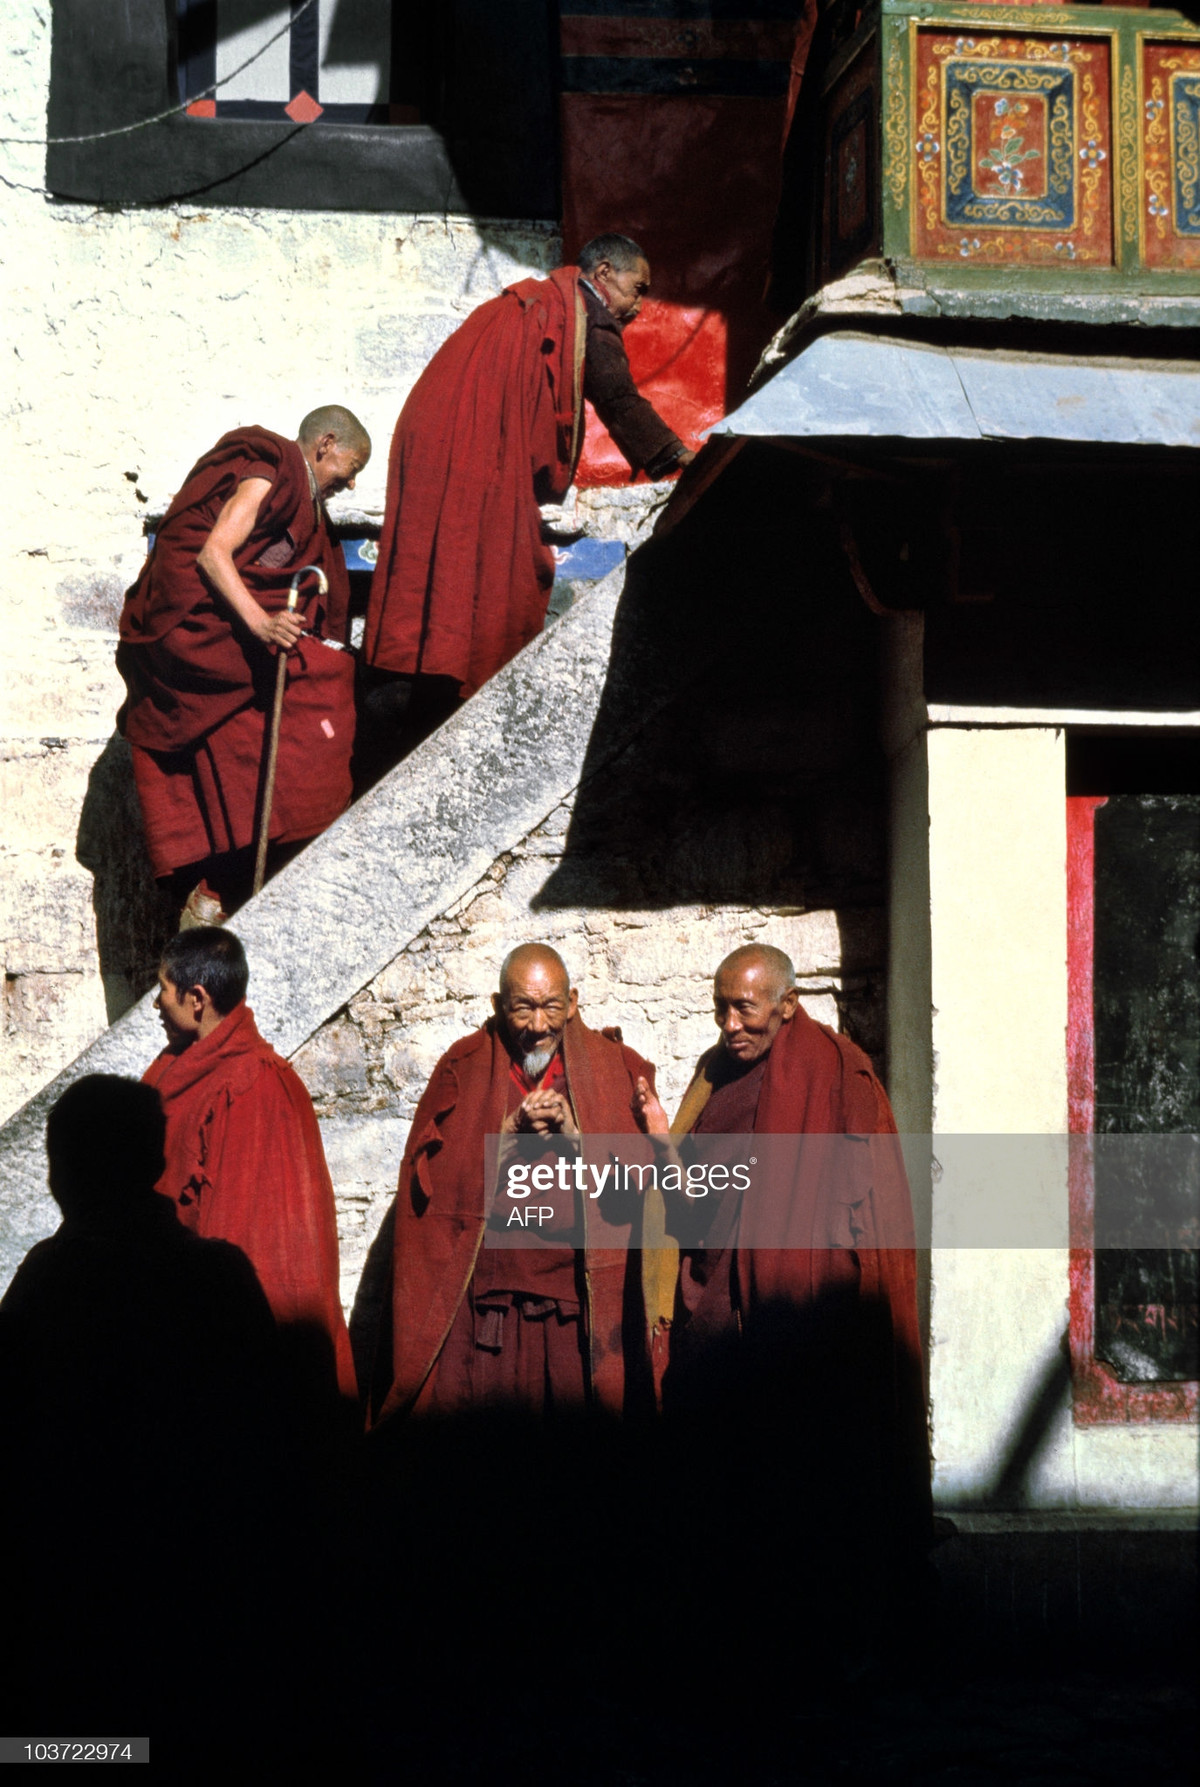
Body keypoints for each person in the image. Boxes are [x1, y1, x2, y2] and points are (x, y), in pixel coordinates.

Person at [634, 943, 930, 1681]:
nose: (730, 1025)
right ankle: (730, 1646)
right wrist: (663, 1139)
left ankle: (816, 1649)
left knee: (806, 1488)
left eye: (745, 1008)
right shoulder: (714, 1076)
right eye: (720, 1008)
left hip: (806, 1324)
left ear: (788, 1004)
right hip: (718, 1315)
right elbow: (694, 1204)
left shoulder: (840, 1075)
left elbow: (872, 1212)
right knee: (718, 1484)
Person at [0, 1075, 284, 1740]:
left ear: (61, 1174)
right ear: (156, 1162)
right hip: (201, 1583)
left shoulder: (50, 1278)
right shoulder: (220, 1274)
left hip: (76, 1587)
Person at [363, 234, 697, 706]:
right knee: (504, 563)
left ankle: (413, 675)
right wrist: (677, 456)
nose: (639, 307)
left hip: (431, 434)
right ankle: (456, 689)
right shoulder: (584, 309)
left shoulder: (534, 304)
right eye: (637, 289)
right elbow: (617, 396)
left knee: (440, 553)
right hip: (477, 441)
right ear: (603, 274)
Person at [368, 942, 659, 1424]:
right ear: (499, 1005)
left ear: (573, 1003)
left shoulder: (615, 1068)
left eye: (551, 1007)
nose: (538, 1025)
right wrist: (507, 1133)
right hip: (487, 1309)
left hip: (575, 1310)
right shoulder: (463, 1068)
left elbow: (640, 1190)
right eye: (523, 1008)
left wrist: (575, 1135)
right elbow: (430, 1191)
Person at [117, 405, 371, 920]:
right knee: (314, 684)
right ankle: (221, 879)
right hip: (196, 623)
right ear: (325, 444)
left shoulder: (305, 502)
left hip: (227, 625)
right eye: (351, 468)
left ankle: (247, 868)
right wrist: (261, 625)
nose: (350, 484)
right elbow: (213, 554)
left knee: (310, 693)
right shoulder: (270, 470)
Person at [144, 925, 357, 1405]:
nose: (156, 1003)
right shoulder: (176, 1066)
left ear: (197, 998)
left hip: (224, 1328)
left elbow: (241, 1238)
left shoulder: (252, 1088)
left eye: (163, 989)